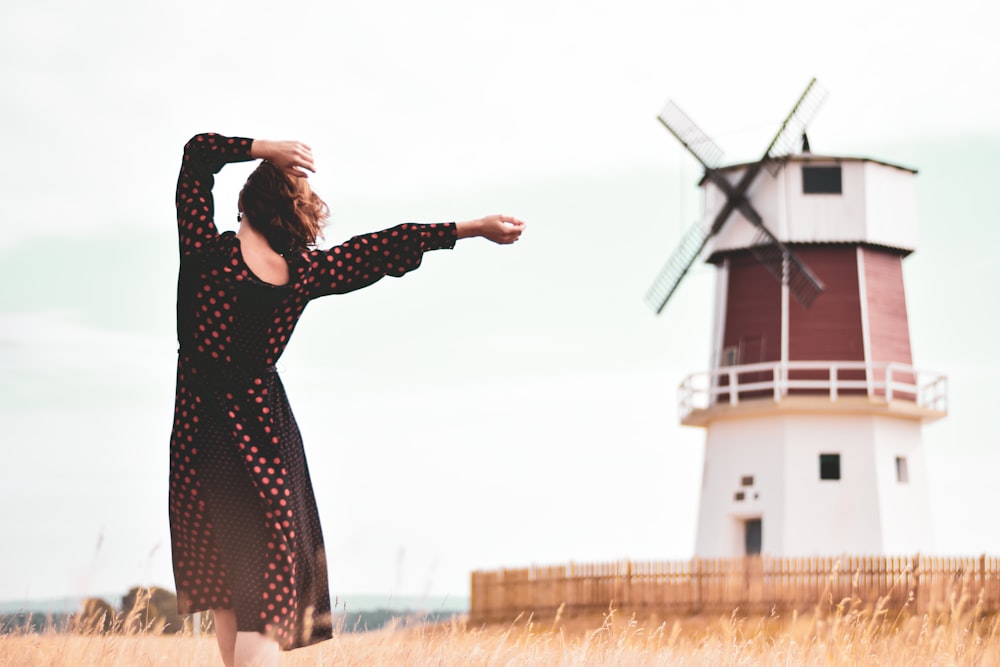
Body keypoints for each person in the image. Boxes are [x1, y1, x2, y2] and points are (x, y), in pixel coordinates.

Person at [169, 132, 524, 666]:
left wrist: (266, 149)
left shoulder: (203, 254)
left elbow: (197, 154)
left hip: (197, 444)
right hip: (261, 443)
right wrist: (472, 228)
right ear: (297, 217)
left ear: (243, 204)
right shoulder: (301, 274)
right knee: (264, 604)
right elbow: (385, 246)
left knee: (226, 591)